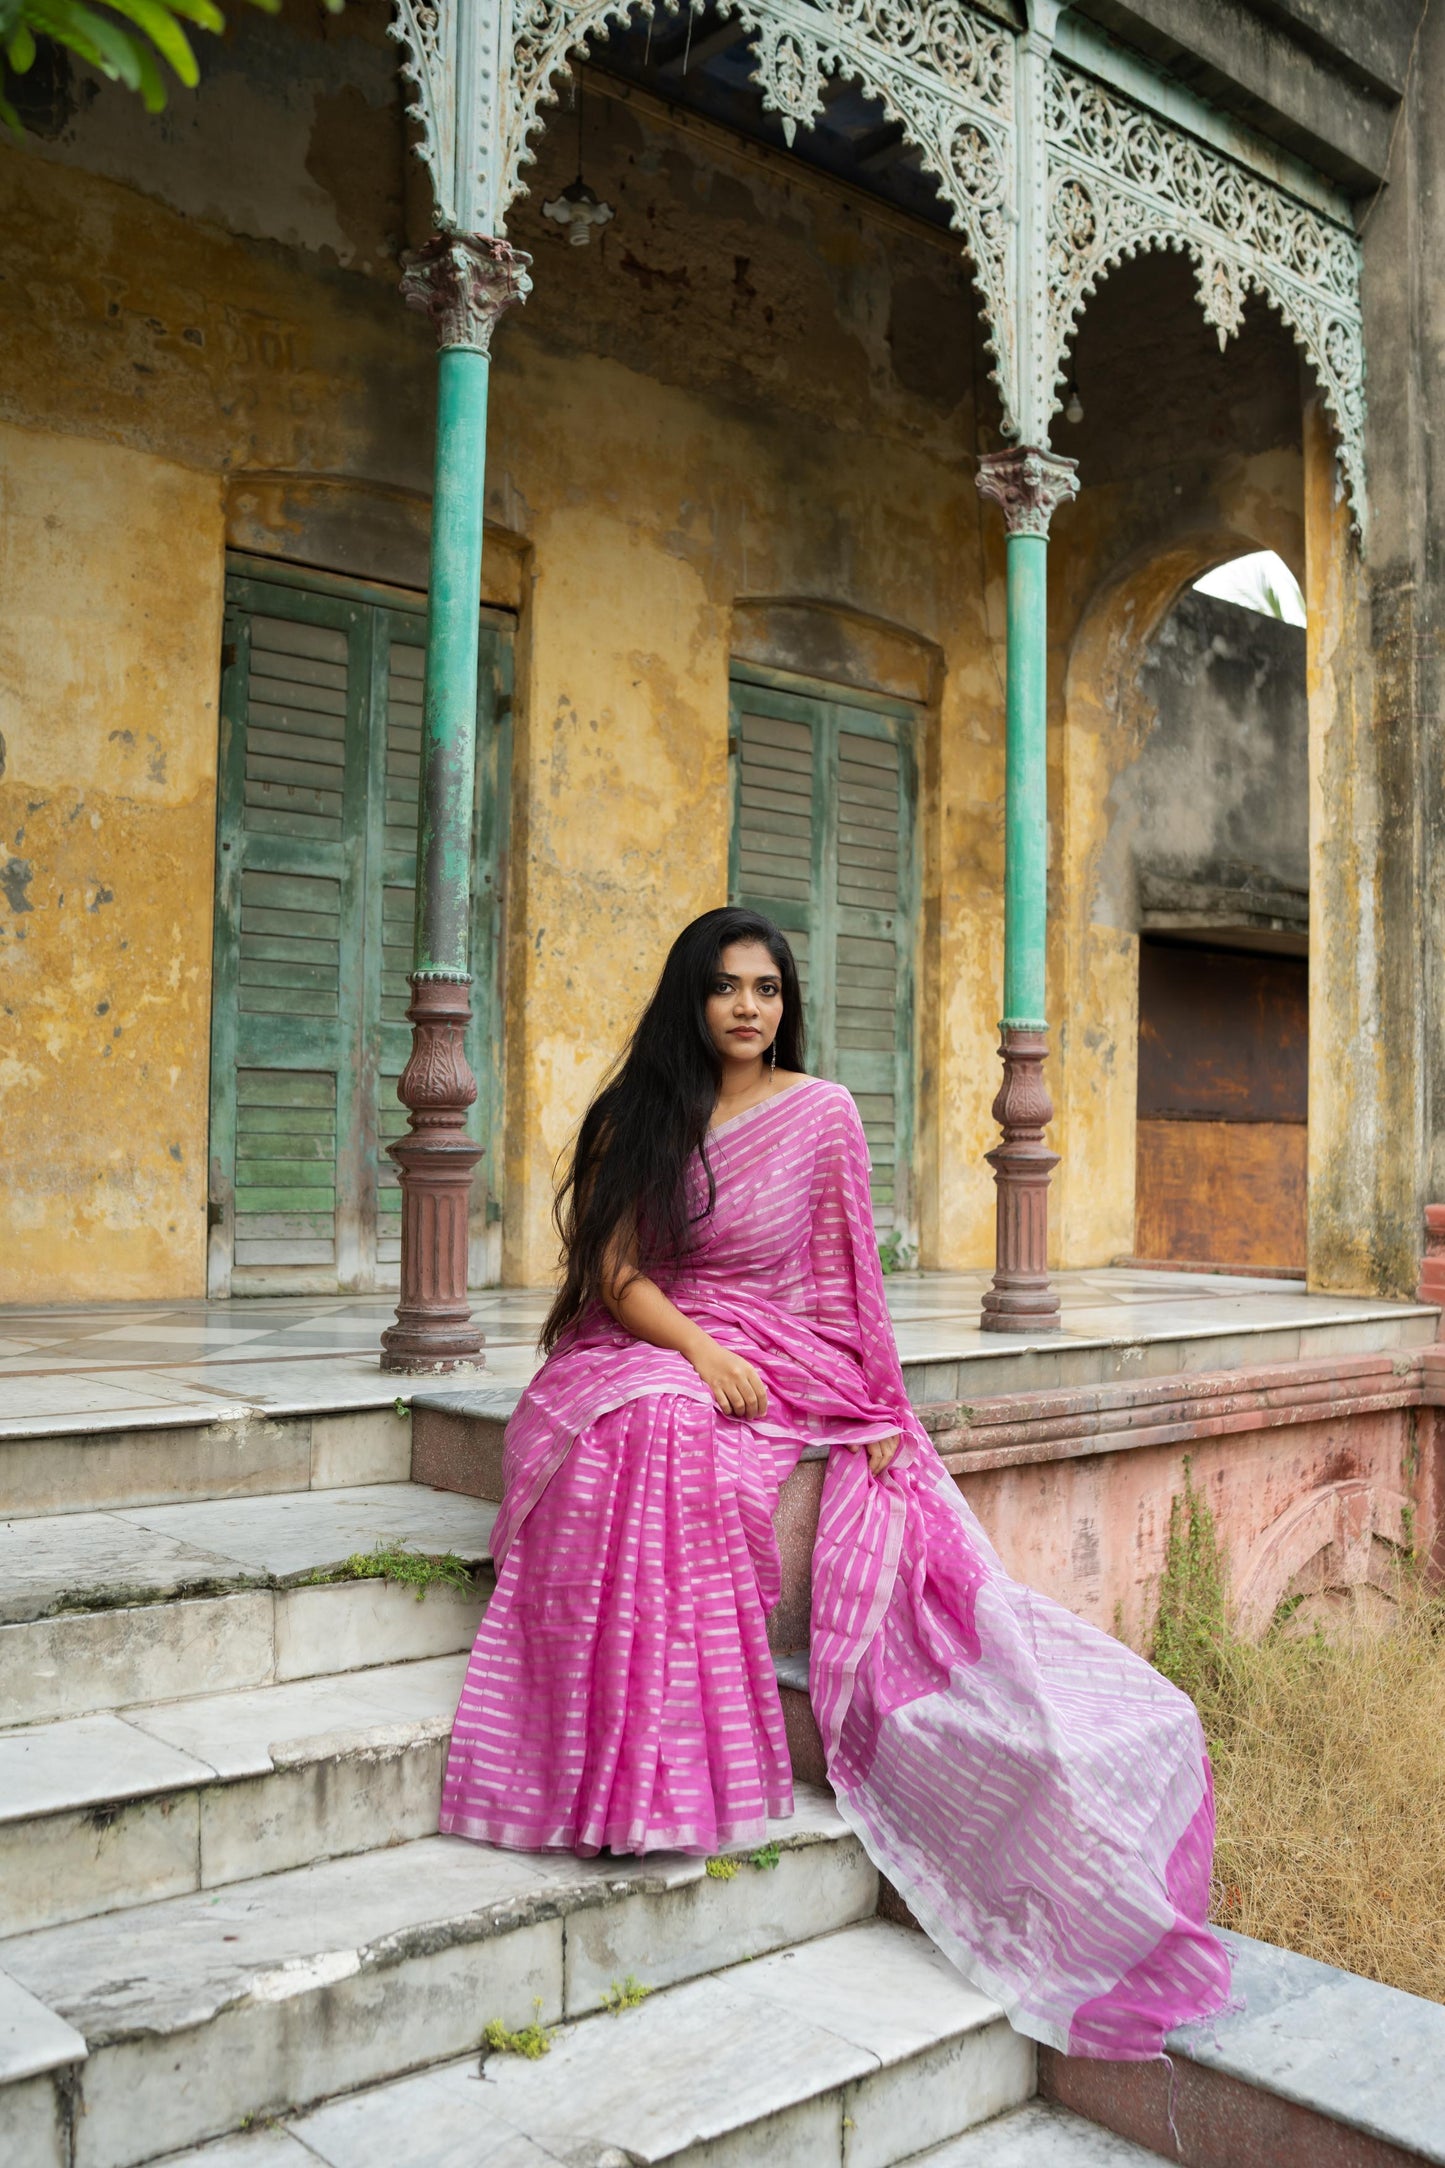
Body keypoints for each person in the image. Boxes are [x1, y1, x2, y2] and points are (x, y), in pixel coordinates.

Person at [440, 905, 1231, 2060]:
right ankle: (625, 1776)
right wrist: (697, 1354)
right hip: (646, 1339)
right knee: (651, 1421)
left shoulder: (819, 1114)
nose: (746, 1006)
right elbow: (611, 1271)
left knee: (683, 1446)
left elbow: (848, 1277)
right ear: (690, 998)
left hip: (779, 1349)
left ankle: (659, 1777)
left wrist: (868, 1405)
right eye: (724, 986)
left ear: (785, 1001)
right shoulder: (639, 1114)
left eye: (764, 986)